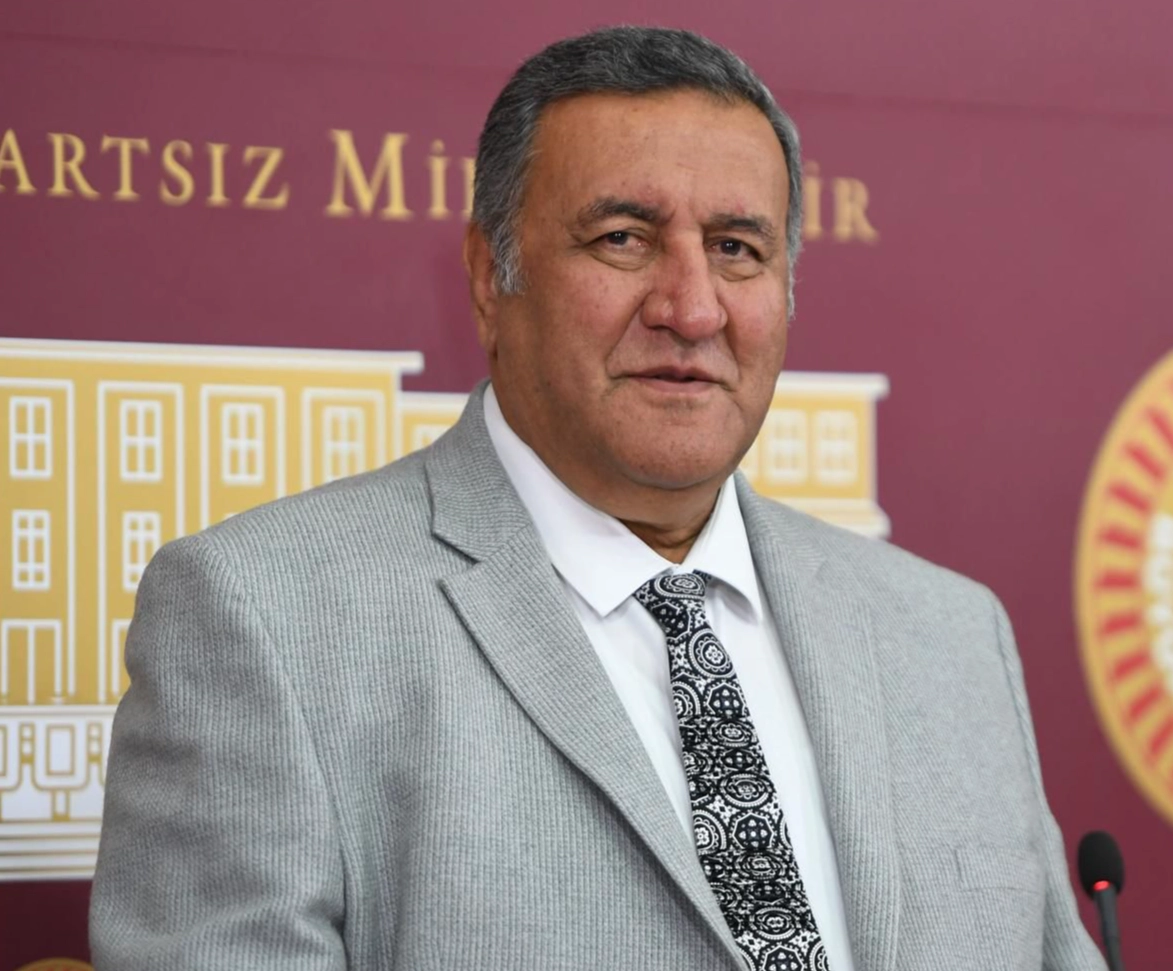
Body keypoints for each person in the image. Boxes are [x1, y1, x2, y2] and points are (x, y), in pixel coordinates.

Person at [89, 25, 1105, 971]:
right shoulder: (265, 621)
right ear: (490, 276)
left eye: (736, 248)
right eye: (623, 238)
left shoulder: (949, 635)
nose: (692, 307)